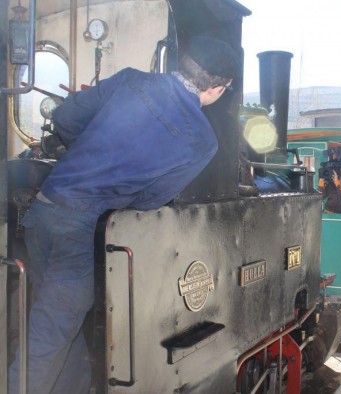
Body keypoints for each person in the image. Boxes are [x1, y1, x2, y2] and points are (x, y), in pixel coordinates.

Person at [8, 36, 240, 394]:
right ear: (219, 88)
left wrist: (86, 150)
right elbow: (151, 201)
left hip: (43, 211)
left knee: (59, 325)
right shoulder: (202, 142)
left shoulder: (132, 79)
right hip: (82, 232)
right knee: (51, 333)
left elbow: (66, 117)